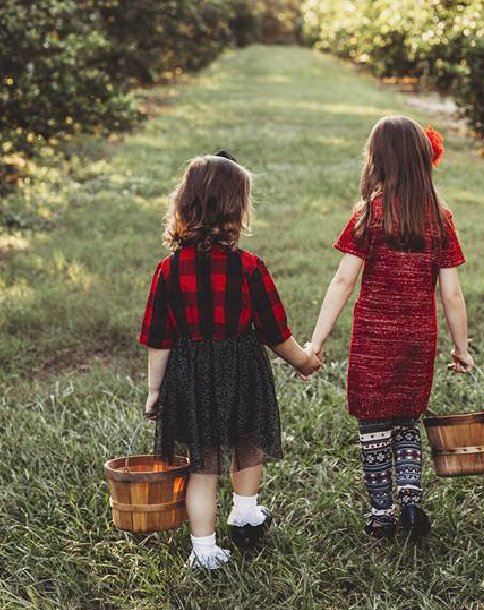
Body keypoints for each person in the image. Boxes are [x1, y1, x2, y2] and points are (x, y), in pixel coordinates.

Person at [139, 153, 320, 569]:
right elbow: (275, 332)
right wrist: (304, 360)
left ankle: (203, 549)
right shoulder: (249, 268)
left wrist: (155, 391)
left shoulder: (168, 271)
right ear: (236, 210)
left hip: (189, 374)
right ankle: (245, 510)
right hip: (241, 369)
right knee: (248, 440)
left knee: (201, 465)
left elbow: (159, 339)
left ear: (185, 207)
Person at [309, 117, 473, 539]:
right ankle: (411, 500)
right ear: (423, 160)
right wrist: (462, 348)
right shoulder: (440, 218)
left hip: (373, 342)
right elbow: (452, 294)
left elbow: (344, 281)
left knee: (374, 427)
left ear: (378, 161)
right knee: (407, 422)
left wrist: (318, 339)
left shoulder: (370, 215)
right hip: (418, 340)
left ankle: (382, 514)